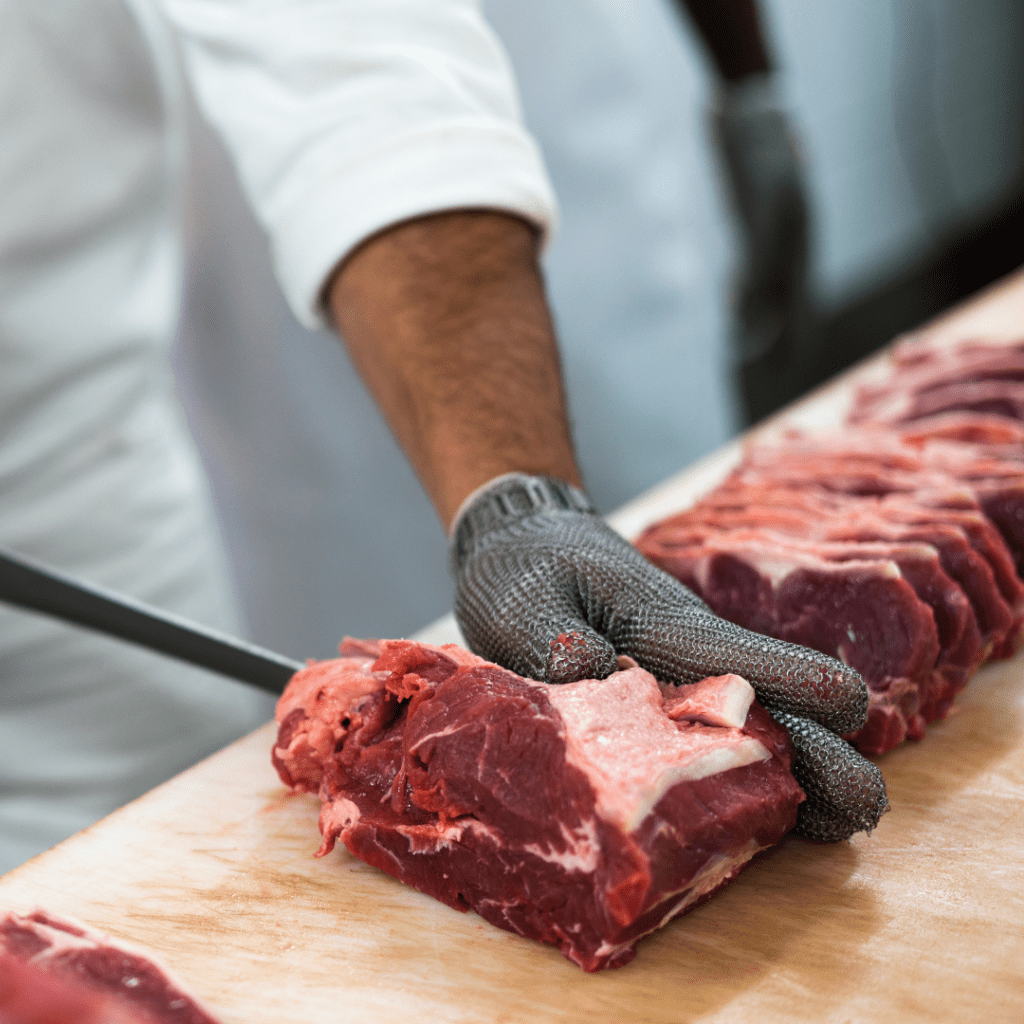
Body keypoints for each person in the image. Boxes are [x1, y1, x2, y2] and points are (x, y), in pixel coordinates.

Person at [0, 0, 882, 873]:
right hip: (86, 454)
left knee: (150, 862)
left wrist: (515, 502)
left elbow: (356, 74)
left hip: (80, 481)